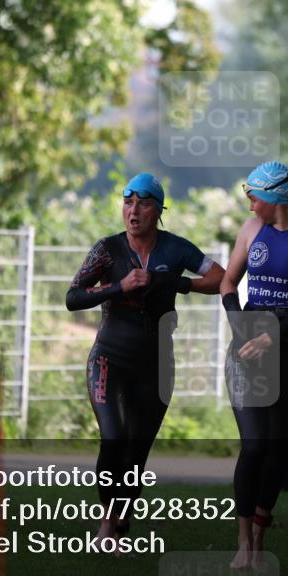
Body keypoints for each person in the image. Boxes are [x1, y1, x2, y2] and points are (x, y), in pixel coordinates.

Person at [66, 173, 225, 550]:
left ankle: (118, 522)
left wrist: (175, 284)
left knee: (137, 450)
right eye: (127, 202)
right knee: (114, 437)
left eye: (143, 203)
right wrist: (119, 287)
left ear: (158, 210)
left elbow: (218, 277)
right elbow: (73, 297)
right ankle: (109, 522)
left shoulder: (175, 249)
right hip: (109, 359)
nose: (133, 211)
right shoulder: (107, 249)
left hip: (157, 364)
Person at [219, 161, 288, 569]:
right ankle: (243, 539)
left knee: (279, 447)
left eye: (254, 199)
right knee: (254, 445)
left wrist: (270, 336)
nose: (250, 208)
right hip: (249, 348)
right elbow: (228, 282)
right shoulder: (251, 232)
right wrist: (242, 328)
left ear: (273, 197)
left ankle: (262, 531)